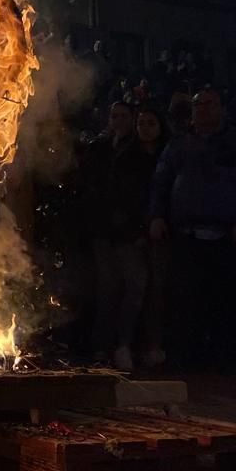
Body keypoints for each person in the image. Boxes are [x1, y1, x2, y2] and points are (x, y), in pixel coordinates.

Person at [149, 86, 236, 369]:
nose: (202, 110)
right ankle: (186, 357)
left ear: (222, 109)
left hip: (227, 235)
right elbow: (161, 182)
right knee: (186, 299)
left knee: (225, 299)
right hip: (187, 235)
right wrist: (156, 216)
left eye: (209, 104)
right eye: (198, 105)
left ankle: (224, 358)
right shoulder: (178, 144)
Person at [82, 101, 156, 370]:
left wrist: (137, 227)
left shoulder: (140, 154)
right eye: (114, 116)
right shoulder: (100, 150)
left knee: (135, 289)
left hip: (129, 233)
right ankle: (103, 346)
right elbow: (92, 188)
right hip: (104, 231)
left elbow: (142, 195)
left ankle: (124, 344)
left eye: (124, 116)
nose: (119, 120)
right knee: (108, 290)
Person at [132, 105, 171, 366]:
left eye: (151, 123)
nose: (145, 128)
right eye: (141, 123)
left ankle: (157, 346)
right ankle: (132, 346)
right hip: (131, 233)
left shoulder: (169, 154)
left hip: (162, 231)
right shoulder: (127, 155)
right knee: (133, 290)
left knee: (158, 290)